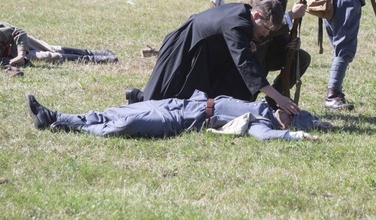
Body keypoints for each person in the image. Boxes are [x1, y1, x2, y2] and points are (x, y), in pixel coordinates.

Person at [125, 0, 300, 116]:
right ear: (256, 15)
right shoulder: (238, 22)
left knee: (188, 101)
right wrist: (278, 97)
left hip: (205, 52)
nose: (265, 33)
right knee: (161, 102)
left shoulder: (244, 15)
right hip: (185, 47)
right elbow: (245, 64)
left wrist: (248, 42)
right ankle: (137, 97)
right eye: (265, 27)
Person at [27, 90, 331, 141]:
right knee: (114, 112)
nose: (287, 111)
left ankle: (64, 127)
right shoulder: (265, 107)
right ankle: (54, 115)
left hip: (182, 121)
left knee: (125, 126)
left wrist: (293, 135)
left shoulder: (261, 123)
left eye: (292, 116)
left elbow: (263, 136)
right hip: (182, 102)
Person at [238, 0, 311, 103]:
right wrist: (291, 16)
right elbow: (256, 28)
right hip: (248, 49)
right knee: (246, 96)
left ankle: (273, 103)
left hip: (265, 46)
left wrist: (289, 42)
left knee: (300, 58)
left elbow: (273, 31)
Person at [1, 21, 118, 69]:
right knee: (49, 56)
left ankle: (92, 53)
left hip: (15, 41)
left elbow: (18, 33)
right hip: (10, 55)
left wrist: (21, 54)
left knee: (50, 48)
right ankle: (94, 59)